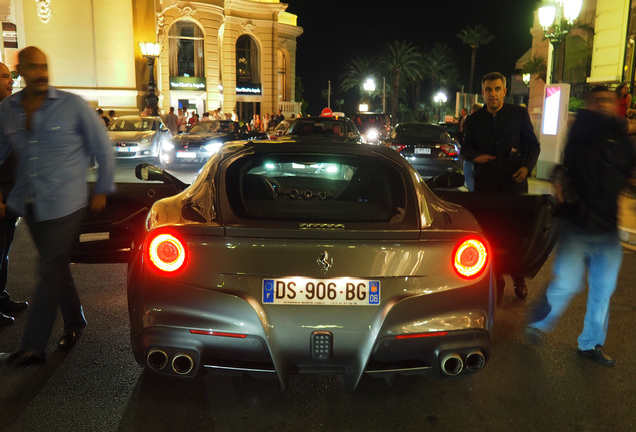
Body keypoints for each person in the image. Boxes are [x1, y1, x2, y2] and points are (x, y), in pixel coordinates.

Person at [0, 46, 115, 366]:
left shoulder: (71, 105)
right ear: (20, 70)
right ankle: (76, 320)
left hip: (67, 202)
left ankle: (33, 345)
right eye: (32, 67)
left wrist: (102, 188)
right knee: (56, 266)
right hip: (31, 202)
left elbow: (102, 148)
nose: (41, 73)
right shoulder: (8, 109)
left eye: (44, 66)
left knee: (48, 269)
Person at [526, 86, 636, 367]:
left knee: (603, 290)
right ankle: (538, 323)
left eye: (606, 101)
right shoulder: (582, 131)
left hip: (608, 229)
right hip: (577, 225)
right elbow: (590, 128)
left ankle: (591, 344)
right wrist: (623, 123)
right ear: (587, 105)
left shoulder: (622, 142)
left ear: (614, 104)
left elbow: (629, 175)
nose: (601, 105)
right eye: (596, 101)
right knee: (567, 283)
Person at [462, 72, 540, 303]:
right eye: (488, 89)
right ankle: (496, 281)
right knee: (490, 237)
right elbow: (465, 149)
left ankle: (518, 277)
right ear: (483, 92)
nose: (492, 94)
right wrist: (476, 156)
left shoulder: (518, 114)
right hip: (485, 190)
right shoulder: (474, 120)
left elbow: (532, 146)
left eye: (497, 89)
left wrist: (527, 168)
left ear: (505, 91)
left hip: (514, 189)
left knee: (515, 236)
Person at [0, 62, 28, 327]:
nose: (11, 81)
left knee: (4, 250)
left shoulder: (6, 111)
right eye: (5, 76)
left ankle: (1, 296)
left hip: (11, 195)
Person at [462, 103, 482, 192]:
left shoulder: (470, 120)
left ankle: (473, 192)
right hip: (478, 153)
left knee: (467, 172)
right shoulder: (485, 121)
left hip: (472, 153)